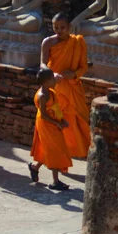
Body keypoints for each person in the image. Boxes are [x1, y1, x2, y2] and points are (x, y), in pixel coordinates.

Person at [41, 13, 91, 158]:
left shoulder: (78, 42)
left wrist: (74, 75)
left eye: (63, 27)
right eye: (56, 27)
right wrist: (50, 73)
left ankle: (77, 150)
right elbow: (42, 63)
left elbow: (83, 67)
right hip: (55, 84)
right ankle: (59, 149)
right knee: (58, 118)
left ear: (69, 27)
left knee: (76, 118)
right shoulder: (47, 42)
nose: (59, 30)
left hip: (72, 85)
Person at [28, 68, 72, 191]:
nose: (55, 80)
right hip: (46, 124)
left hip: (53, 122)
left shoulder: (50, 91)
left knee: (50, 148)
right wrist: (56, 123)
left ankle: (35, 167)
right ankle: (55, 181)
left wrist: (61, 120)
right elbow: (43, 114)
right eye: (53, 78)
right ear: (46, 82)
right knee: (54, 150)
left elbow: (55, 108)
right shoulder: (42, 95)